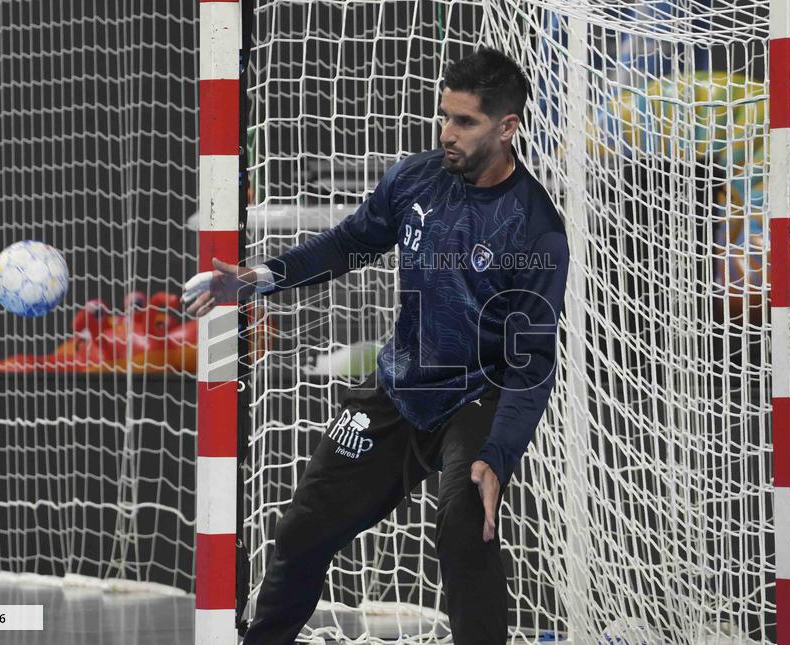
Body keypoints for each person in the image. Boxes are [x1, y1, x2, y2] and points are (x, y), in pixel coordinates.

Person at [182, 47, 569, 645]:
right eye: (444, 116)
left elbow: (533, 359)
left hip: (476, 398)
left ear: (507, 127)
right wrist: (257, 278)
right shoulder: (415, 178)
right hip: (399, 387)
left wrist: (500, 450)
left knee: (467, 528)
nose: (447, 133)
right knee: (303, 528)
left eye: (464, 122)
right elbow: (347, 245)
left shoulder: (535, 227)